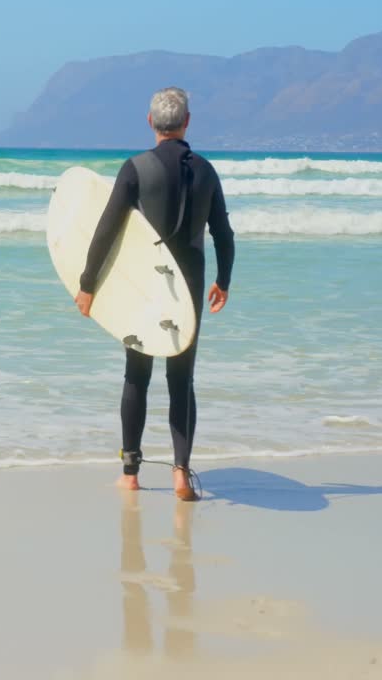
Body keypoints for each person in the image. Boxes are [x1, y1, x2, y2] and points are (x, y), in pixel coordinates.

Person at [75, 87, 235, 501]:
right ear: (187, 122)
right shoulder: (206, 171)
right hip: (190, 286)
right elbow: (223, 233)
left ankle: (130, 473)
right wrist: (224, 280)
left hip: (146, 287)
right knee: (182, 379)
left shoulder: (135, 168)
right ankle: (181, 472)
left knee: (137, 374)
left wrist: (87, 285)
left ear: (150, 122)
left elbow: (106, 230)